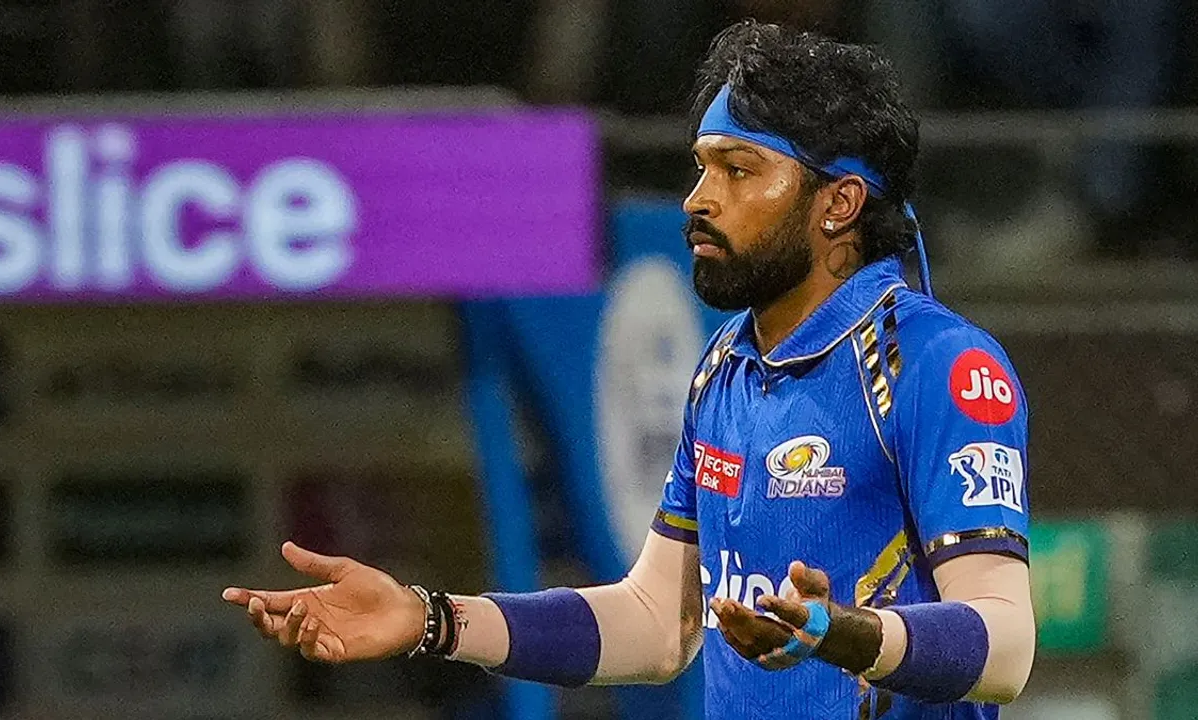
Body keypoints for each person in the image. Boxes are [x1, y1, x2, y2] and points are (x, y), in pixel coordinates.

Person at [223, 22, 1035, 719]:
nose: (697, 198)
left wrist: (841, 633)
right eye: (700, 166)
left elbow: (1004, 642)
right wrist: (430, 619)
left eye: (739, 170)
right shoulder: (723, 368)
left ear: (839, 203)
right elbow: (656, 621)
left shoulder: (938, 364)